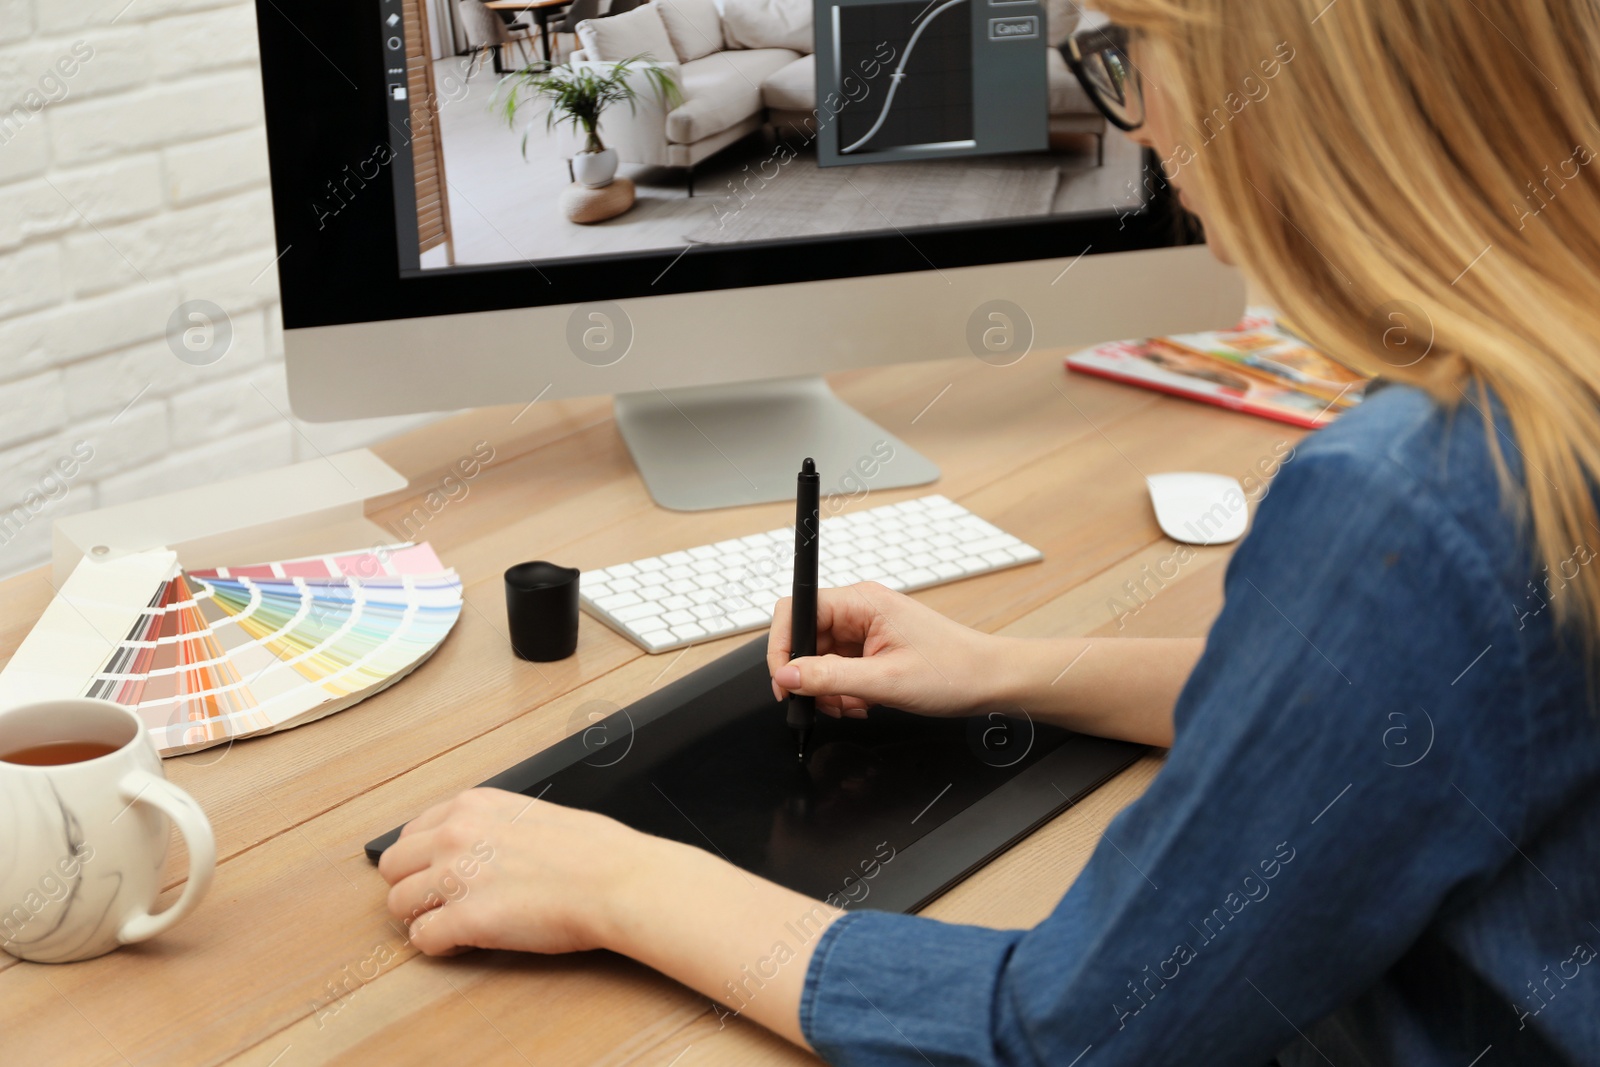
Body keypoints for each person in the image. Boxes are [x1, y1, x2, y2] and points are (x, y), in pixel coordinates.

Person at [378, 1, 1600, 1062]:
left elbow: (1066, 1035)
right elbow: (1406, 701)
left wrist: (623, 876)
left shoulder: (1414, 494)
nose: (1138, 125)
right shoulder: (1544, 412)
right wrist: (1007, 668)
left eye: (1130, 54)